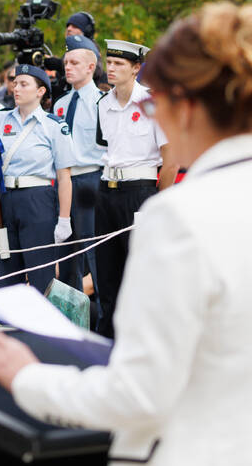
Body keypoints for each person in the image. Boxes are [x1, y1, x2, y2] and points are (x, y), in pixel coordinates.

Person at [0, 1, 252, 466]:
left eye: (156, 100)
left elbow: (139, 393)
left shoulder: (179, 216)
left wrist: (26, 377)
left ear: (184, 105)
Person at [0, 63, 73, 294]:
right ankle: (8, 327)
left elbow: (64, 176)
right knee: (8, 270)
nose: (16, 88)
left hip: (37, 200)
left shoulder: (53, 126)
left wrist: (64, 219)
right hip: (4, 199)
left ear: (40, 91)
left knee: (40, 273)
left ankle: (39, 327)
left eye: (24, 84)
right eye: (15, 83)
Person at [93, 39, 177, 338]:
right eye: (110, 62)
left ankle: (144, 338)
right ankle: (109, 339)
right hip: (107, 189)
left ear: (136, 68)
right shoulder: (103, 103)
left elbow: (171, 161)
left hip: (140, 191)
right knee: (106, 270)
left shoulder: (153, 102)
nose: (111, 69)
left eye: (119, 64)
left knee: (140, 271)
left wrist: (158, 204)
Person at [51, 35, 106, 295]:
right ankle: (67, 317)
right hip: (63, 181)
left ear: (90, 67)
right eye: (66, 63)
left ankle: (101, 320)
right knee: (64, 254)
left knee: (93, 252)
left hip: (90, 181)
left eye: (74, 62)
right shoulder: (60, 104)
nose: (68, 68)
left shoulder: (103, 103)